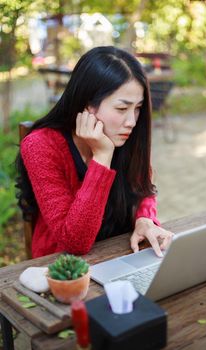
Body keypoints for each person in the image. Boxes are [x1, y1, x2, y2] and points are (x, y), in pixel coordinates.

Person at [16, 46, 173, 259]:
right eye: (121, 109)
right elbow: (74, 242)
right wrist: (101, 158)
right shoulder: (41, 146)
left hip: (121, 255)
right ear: (88, 104)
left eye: (137, 108)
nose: (132, 121)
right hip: (63, 269)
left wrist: (145, 219)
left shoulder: (124, 133)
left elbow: (143, 188)